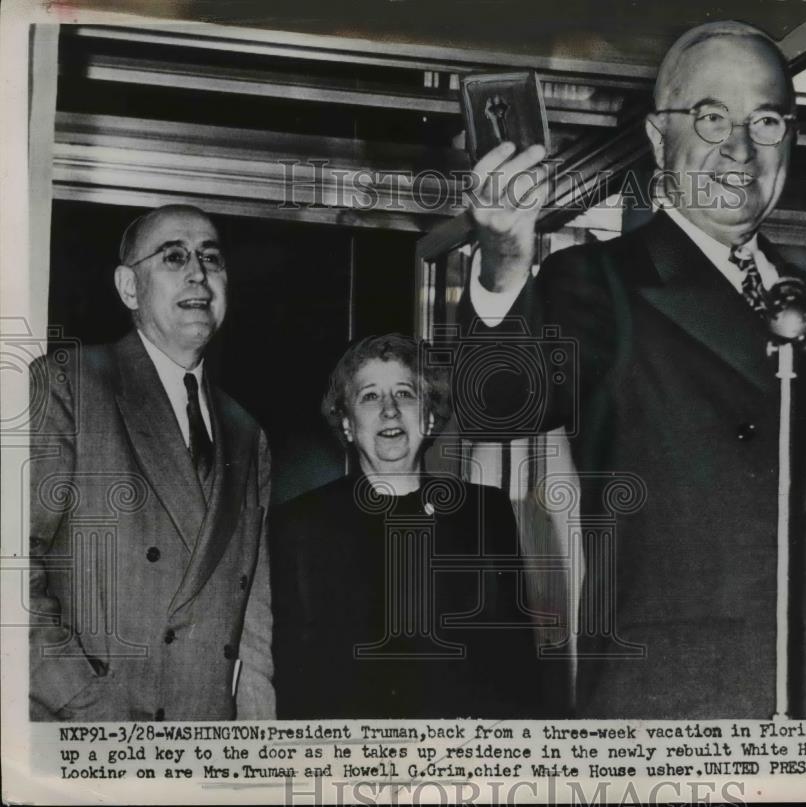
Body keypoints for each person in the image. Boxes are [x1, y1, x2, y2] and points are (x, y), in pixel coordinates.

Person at [458, 21, 806, 718]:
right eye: (712, 117)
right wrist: (505, 264)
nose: (741, 148)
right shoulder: (600, 282)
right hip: (683, 707)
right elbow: (500, 400)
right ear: (660, 141)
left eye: (768, 120)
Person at [29, 204, 274, 721]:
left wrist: (256, 748)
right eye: (173, 257)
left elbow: (253, 621)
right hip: (92, 735)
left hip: (205, 749)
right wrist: (84, 700)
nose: (198, 273)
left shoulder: (247, 433)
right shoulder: (69, 382)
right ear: (129, 288)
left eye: (212, 258)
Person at [270, 333, 546, 718]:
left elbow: (517, 667)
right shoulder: (298, 526)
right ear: (347, 424)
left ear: (429, 416)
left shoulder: (486, 514)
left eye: (404, 394)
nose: (389, 410)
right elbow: (295, 682)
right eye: (369, 396)